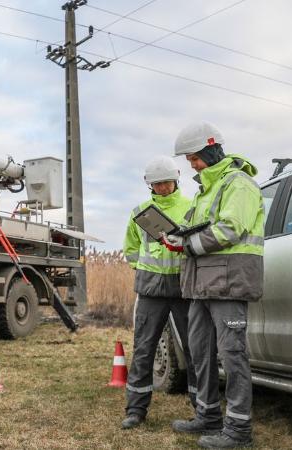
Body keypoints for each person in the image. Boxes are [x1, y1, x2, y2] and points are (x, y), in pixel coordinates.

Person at [167, 122, 264, 448]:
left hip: (229, 282)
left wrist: (188, 245)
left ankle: (238, 431)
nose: (191, 164)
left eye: (194, 158)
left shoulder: (239, 185)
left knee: (232, 354)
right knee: (199, 352)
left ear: (210, 151)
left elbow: (230, 229)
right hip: (202, 285)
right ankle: (207, 416)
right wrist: (174, 234)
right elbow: (193, 227)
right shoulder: (206, 190)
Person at [120, 156, 197, 430]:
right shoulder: (140, 212)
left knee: (194, 348)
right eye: (157, 184)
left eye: (166, 183)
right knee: (144, 349)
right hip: (150, 289)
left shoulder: (192, 207)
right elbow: (130, 249)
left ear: (176, 180)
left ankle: (202, 410)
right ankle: (135, 410)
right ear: (149, 185)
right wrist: (141, 269)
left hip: (184, 288)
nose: (163, 188)